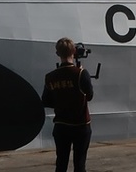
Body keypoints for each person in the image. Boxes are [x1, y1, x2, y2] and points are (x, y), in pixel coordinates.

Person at [42, 37, 93, 172]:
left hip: (61, 126)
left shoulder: (50, 77)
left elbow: (46, 101)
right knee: (80, 165)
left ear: (58, 54)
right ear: (74, 51)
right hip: (81, 126)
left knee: (61, 164)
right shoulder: (81, 73)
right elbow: (90, 96)